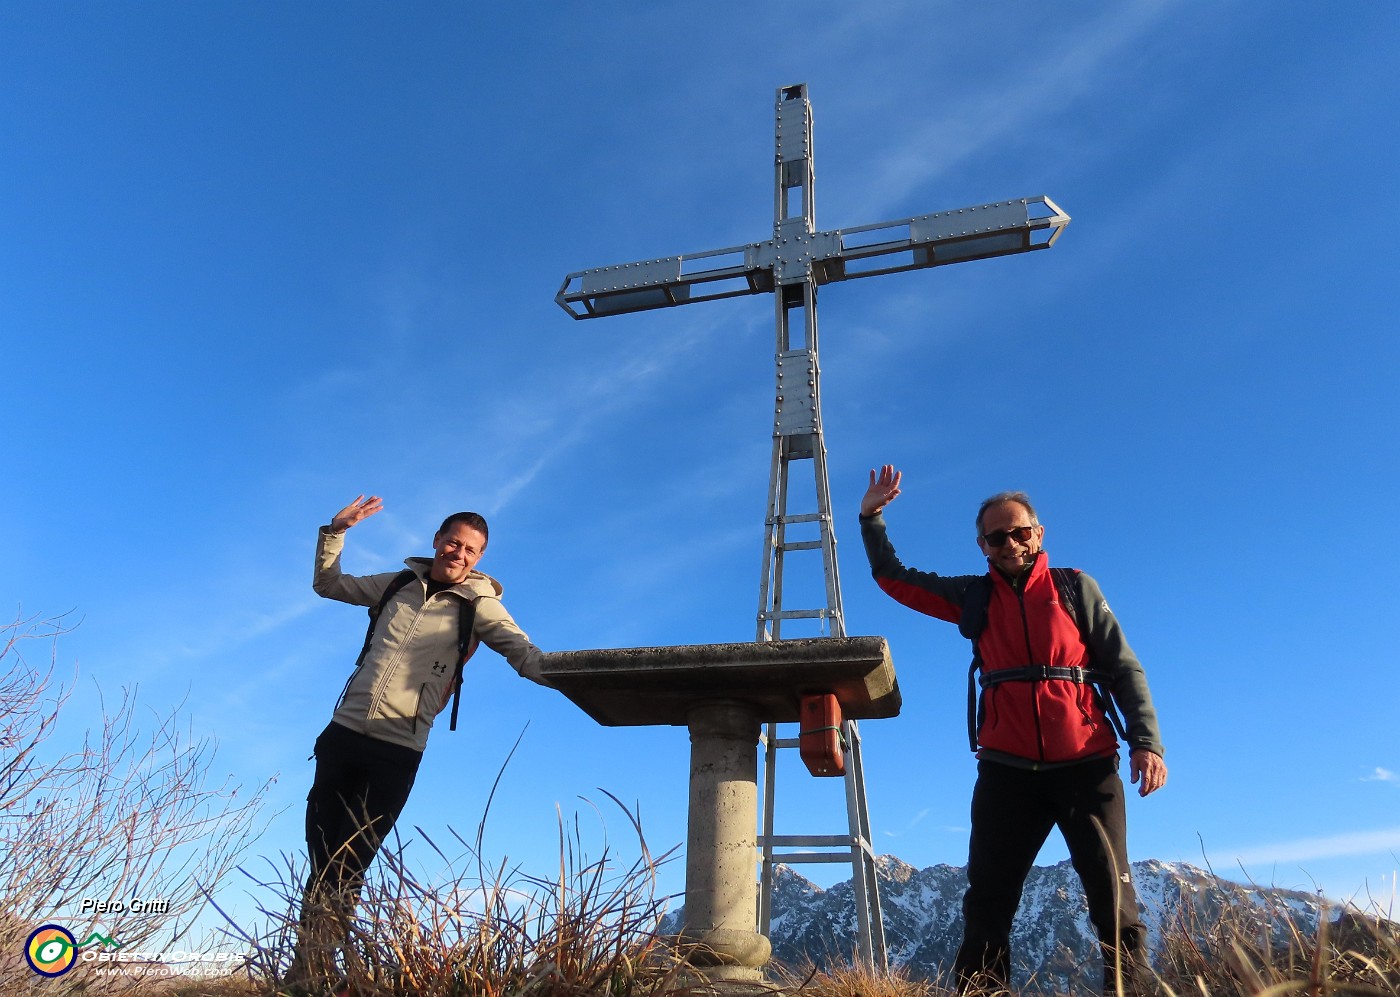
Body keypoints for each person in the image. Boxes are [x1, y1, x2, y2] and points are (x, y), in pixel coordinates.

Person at [858, 466, 1166, 996]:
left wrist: (1146, 741)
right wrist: (872, 517)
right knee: (988, 902)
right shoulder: (972, 596)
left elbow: (1123, 667)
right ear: (982, 545)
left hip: (1087, 765)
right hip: (1006, 771)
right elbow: (894, 578)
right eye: (997, 537)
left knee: (1113, 903)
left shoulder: (1075, 588)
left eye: (1020, 532)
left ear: (1038, 534)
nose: (1010, 543)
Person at [288, 494, 549, 988]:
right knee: (322, 856)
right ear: (437, 541)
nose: (460, 554)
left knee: (349, 861)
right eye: (454, 542)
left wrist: (577, 675)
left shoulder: (480, 604)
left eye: (472, 551)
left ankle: (315, 974)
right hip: (342, 735)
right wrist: (335, 532)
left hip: (397, 751)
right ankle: (309, 973)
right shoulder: (398, 583)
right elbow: (328, 584)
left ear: (479, 559)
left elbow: (524, 653)